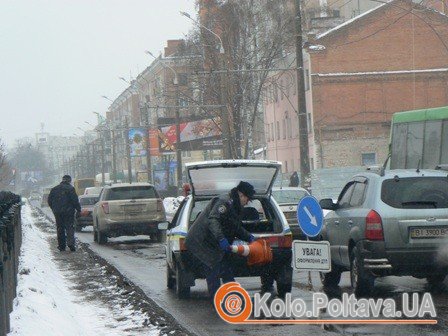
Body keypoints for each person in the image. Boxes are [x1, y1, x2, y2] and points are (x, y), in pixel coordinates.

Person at [185, 181, 256, 299]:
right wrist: (221, 239)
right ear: (241, 194)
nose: (247, 202)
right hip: (202, 241)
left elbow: (234, 226)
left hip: (213, 242)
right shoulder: (224, 202)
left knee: (225, 268)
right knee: (213, 269)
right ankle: (217, 301)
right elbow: (213, 220)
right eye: (247, 199)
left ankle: (234, 297)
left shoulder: (235, 205)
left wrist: (248, 237)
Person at [48, 175, 81, 252]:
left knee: (60, 228)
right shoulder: (71, 189)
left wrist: (54, 209)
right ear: (69, 181)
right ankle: (71, 244)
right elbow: (75, 201)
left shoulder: (54, 189)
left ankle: (61, 246)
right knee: (69, 227)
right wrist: (78, 209)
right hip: (69, 212)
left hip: (58, 213)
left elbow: (49, 201)